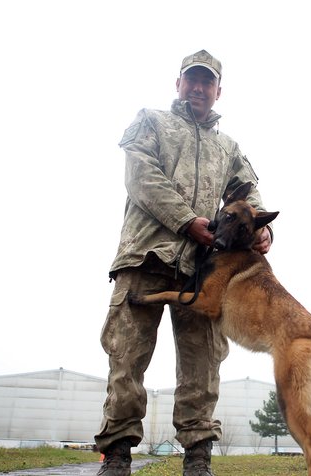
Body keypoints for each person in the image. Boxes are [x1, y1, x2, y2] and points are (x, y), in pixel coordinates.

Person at [95, 50, 273, 476]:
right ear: (178, 83)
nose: (198, 87)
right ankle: (117, 455)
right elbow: (141, 176)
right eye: (191, 79)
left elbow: (247, 190)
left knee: (203, 362)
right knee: (127, 356)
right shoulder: (151, 122)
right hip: (144, 257)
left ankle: (197, 457)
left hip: (202, 269)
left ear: (217, 91)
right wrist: (186, 220)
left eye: (206, 82)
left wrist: (263, 227)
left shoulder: (227, 147)